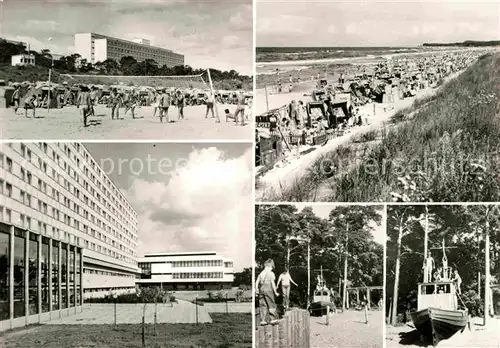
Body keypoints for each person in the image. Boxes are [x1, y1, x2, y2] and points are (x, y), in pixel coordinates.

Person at [256, 259, 280, 325]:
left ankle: (263, 320)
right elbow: (272, 283)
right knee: (271, 303)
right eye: (272, 267)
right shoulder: (271, 273)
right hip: (268, 289)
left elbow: (257, 281)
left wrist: (256, 289)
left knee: (263, 305)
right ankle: (273, 319)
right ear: (270, 266)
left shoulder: (261, 273)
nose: (272, 269)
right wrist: (275, 292)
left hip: (261, 289)